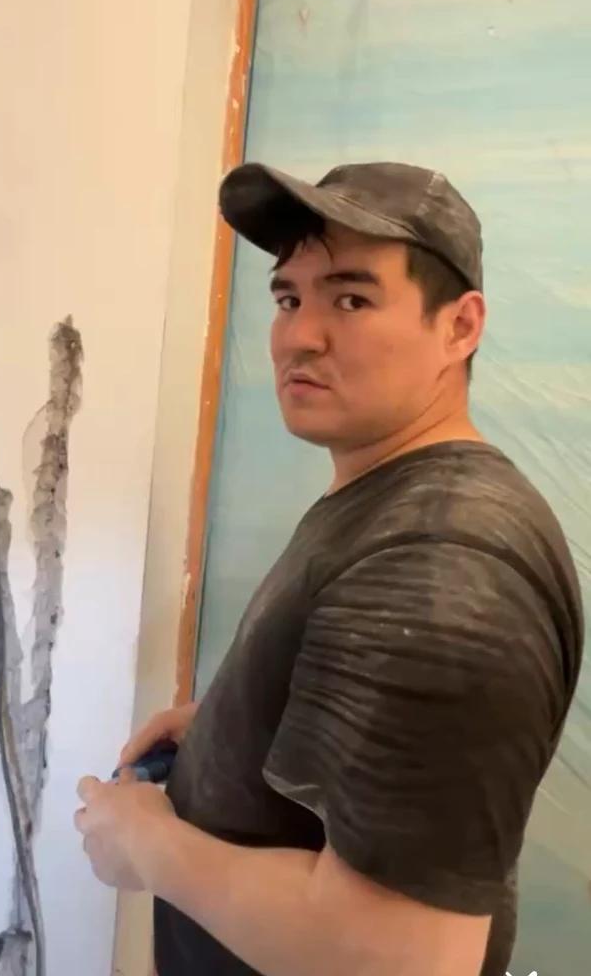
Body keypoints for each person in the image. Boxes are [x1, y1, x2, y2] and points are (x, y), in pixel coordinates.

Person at [74, 162, 584, 976]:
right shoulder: (393, 501)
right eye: (288, 299)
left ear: (459, 327)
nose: (299, 336)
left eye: (351, 300)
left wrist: (145, 845)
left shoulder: (439, 560)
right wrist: (246, 724)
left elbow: (404, 957)